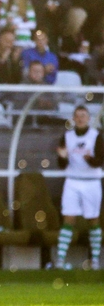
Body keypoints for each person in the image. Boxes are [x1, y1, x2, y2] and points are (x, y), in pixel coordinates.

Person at [53, 105, 103, 270]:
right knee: (68, 217)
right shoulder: (67, 137)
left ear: (88, 118)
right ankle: (60, 259)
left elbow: (100, 161)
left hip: (91, 181)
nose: (80, 119)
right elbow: (62, 162)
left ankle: (95, 259)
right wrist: (62, 157)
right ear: (73, 119)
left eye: (83, 115)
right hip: (73, 180)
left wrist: (90, 159)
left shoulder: (96, 136)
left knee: (93, 219)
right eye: (78, 116)